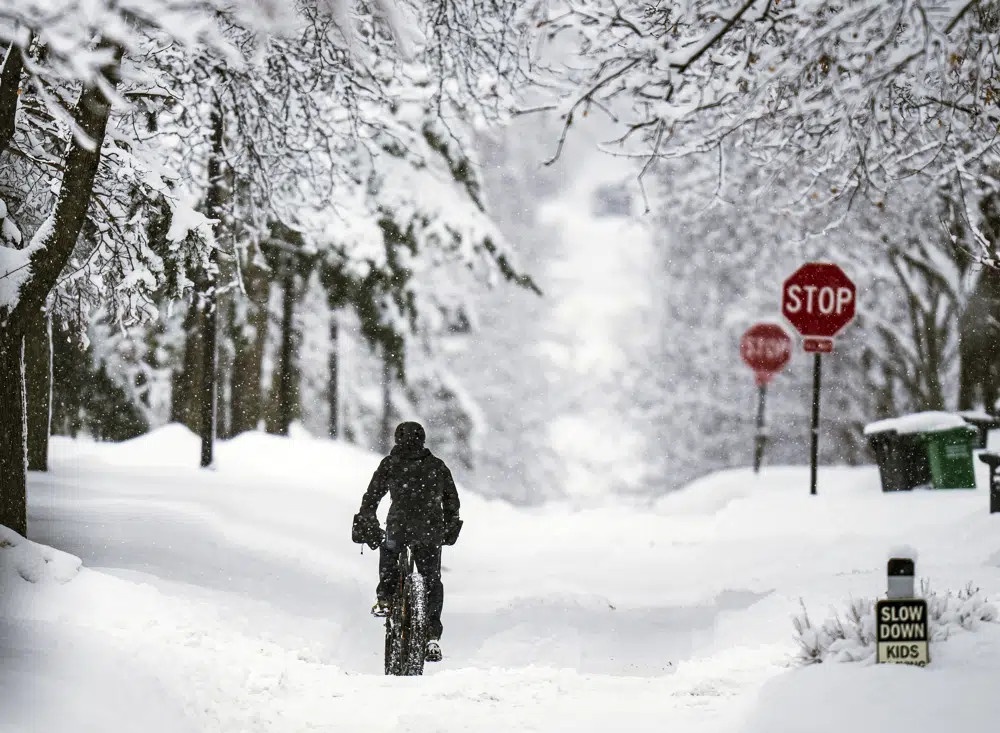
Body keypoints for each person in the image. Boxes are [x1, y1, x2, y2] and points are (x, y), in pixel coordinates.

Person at [352, 421, 462, 663]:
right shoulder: (437, 466)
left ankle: (385, 598)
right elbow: (452, 502)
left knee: (389, 551)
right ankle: (432, 635)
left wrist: (367, 519)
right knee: (431, 579)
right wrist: (449, 526)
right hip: (429, 531)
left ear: (397, 439)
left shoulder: (390, 464)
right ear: (423, 440)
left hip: (399, 526)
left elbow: (371, 497)